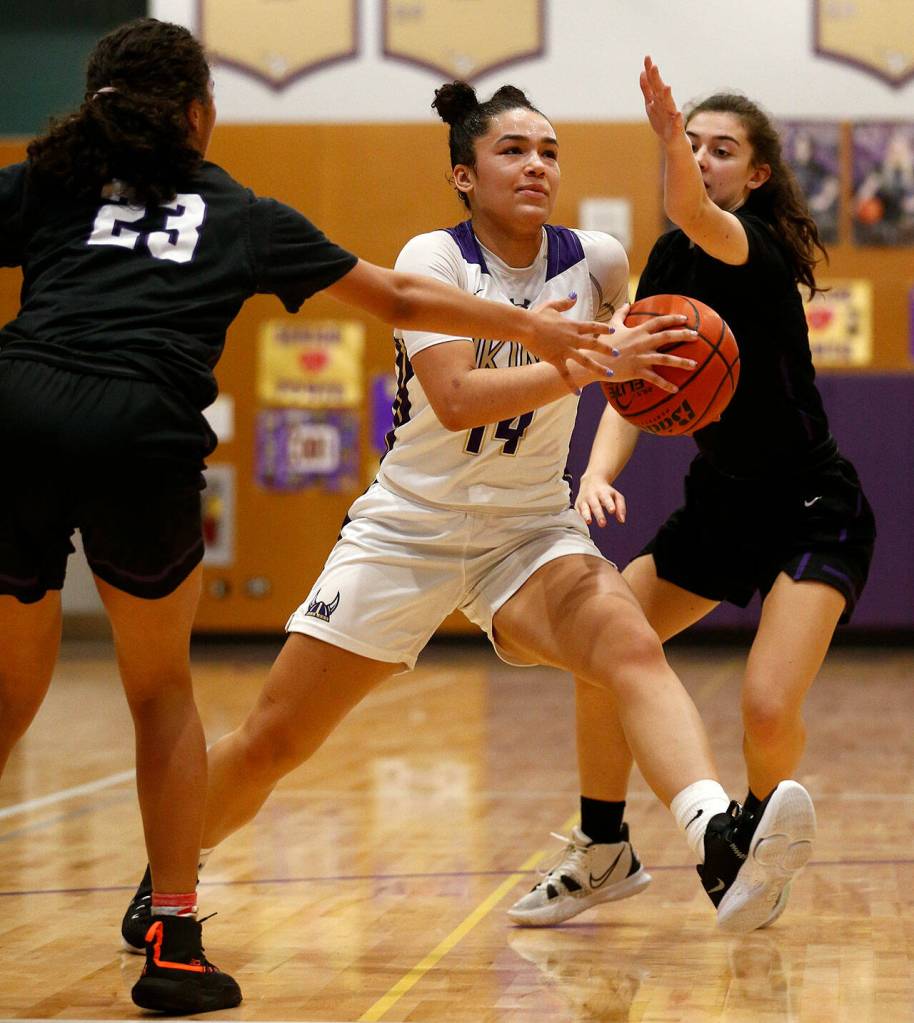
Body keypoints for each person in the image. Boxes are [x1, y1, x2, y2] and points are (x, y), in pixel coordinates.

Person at [0, 18, 663, 1014]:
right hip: (140, 433)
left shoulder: (44, 184)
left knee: (9, 696)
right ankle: (172, 942)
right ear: (199, 117)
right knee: (160, 695)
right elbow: (397, 298)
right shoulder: (232, 206)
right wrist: (532, 326)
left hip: (17, 413)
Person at [116, 76, 818, 962]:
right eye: (512, 151)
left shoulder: (599, 260)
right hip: (408, 529)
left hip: (529, 532)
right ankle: (169, 867)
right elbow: (453, 399)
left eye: (550, 151)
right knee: (275, 738)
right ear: (464, 174)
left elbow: (632, 374)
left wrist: (667, 375)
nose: (536, 165)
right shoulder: (433, 259)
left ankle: (715, 833)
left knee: (629, 644)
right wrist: (577, 366)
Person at [508, 57, 875, 929]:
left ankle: (751, 841)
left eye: (722, 148)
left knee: (765, 703)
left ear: (756, 174)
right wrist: (596, 473)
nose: (703, 158)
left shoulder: (754, 249)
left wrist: (668, 135)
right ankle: (604, 848)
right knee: (607, 646)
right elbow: (637, 384)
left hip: (812, 505)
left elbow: (689, 205)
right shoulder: (673, 255)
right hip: (723, 503)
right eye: (694, 144)